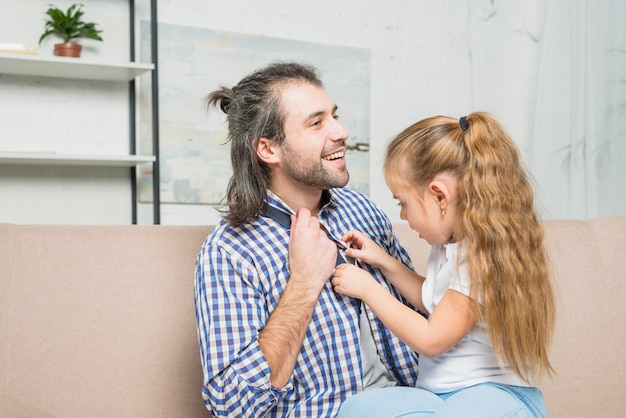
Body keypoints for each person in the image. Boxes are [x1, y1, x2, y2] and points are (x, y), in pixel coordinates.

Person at [194, 61, 420, 417]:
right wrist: (303, 282)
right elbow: (234, 406)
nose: (341, 131)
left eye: (334, 116)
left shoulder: (362, 210)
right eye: (316, 123)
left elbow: (427, 311)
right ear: (269, 150)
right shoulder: (231, 251)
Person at [332, 112, 556, 418]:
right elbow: (431, 299)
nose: (403, 217)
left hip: (498, 397)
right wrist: (382, 260)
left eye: (403, 203)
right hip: (442, 398)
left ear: (440, 196)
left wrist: (369, 290)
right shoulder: (448, 245)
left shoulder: (481, 257)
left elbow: (432, 338)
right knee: (358, 410)